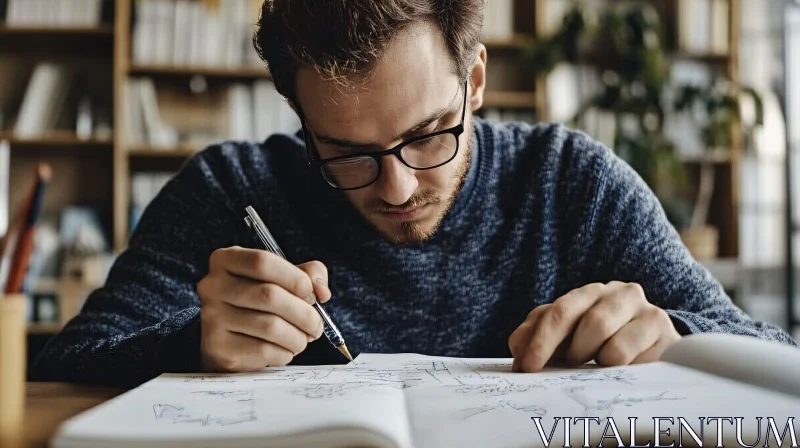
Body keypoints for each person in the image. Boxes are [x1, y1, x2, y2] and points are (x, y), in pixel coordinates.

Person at [32, 0, 795, 387]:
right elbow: (62, 366)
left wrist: (675, 336)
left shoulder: (573, 183)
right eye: (348, 153)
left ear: (476, 83)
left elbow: (775, 356)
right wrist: (192, 344)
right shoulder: (229, 190)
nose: (397, 187)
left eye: (430, 134)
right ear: (300, 119)